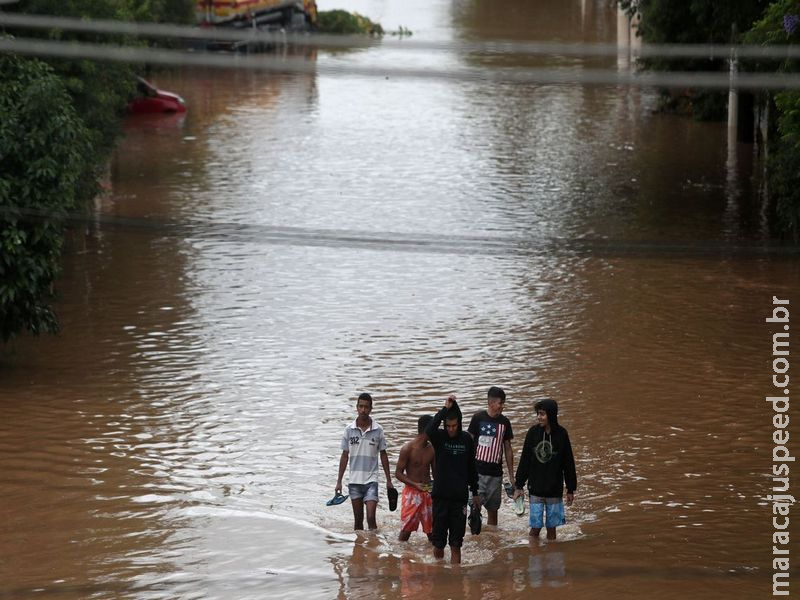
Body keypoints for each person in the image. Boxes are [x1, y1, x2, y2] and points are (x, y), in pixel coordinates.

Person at [423, 394, 480, 564]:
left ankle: (456, 580)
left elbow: (472, 468)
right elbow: (429, 430)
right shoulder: (439, 437)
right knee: (438, 544)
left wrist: (475, 492)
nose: (451, 429)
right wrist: (444, 409)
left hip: (459, 500)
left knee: (456, 544)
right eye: (448, 426)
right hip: (440, 498)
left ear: (459, 423)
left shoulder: (467, 440)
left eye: (454, 426)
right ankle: (439, 573)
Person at [513, 398, 577, 540]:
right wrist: (519, 485)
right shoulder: (533, 433)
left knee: (552, 529)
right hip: (535, 488)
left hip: (554, 489)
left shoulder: (562, 434)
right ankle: (534, 557)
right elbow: (525, 460)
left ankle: (550, 557)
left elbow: (568, 463)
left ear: (551, 415)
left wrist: (570, 488)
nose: (539, 417)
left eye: (542, 414)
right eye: (538, 414)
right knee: (535, 528)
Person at [335, 392, 395, 530]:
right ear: (356, 407)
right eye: (361, 406)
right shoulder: (349, 430)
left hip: (371, 480)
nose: (363, 410)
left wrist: (388, 480)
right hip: (354, 481)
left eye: (366, 407)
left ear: (371, 409)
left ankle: (374, 548)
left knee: (370, 518)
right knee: (358, 521)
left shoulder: (378, 430)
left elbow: (383, 454)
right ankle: (360, 549)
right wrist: (339, 482)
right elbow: (345, 456)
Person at [467, 386, 514, 526]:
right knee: (475, 508)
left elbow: (508, 449)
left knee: (493, 510)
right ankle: (475, 536)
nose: (502, 406)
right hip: (477, 472)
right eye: (500, 403)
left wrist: (511, 475)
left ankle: (493, 541)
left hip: (495, 474)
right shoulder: (477, 418)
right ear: (491, 403)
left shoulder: (505, 422)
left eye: (503, 403)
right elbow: (468, 442)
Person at [394, 415, 435, 542]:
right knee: (405, 531)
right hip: (412, 493)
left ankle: (435, 560)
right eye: (434, 428)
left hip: (428, 491)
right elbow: (398, 473)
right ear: (428, 430)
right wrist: (415, 484)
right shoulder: (407, 449)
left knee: (432, 532)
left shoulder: (432, 449)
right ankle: (402, 558)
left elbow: (436, 474)